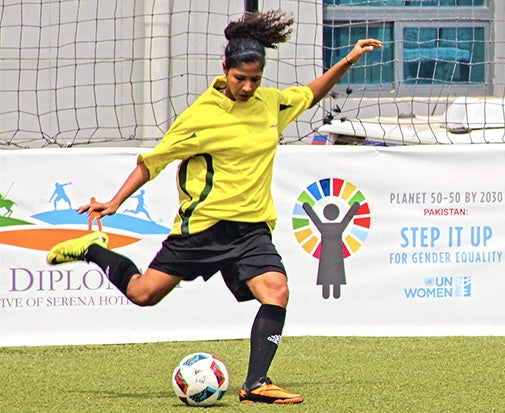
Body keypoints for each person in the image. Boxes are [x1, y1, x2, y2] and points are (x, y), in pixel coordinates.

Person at [46, 10, 382, 405]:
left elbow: (309, 94)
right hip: (202, 229)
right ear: (225, 69)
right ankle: (92, 250)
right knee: (143, 294)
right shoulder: (200, 117)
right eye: (241, 79)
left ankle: (256, 383)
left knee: (276, 290)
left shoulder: (269, 104)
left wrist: (346, 60)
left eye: (255, 80)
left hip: (251, 229)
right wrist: (115, 201)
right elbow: (152, 162)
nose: (247, 87)